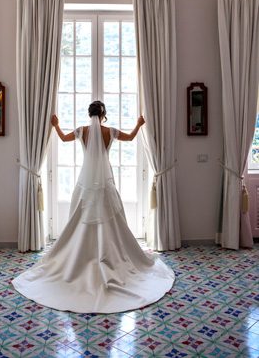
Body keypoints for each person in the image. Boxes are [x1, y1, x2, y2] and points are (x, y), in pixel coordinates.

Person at [12, 101, 175, 314]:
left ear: (89, 114)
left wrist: (56, 125)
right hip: (105, 183)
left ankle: (82, 258)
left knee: (80, 219)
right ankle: (110, 259)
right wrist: (139, 123)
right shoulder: (111, 132)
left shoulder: (82, 131)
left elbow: (62, 138)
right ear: (104, 114)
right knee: (111, 220)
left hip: (87, 184)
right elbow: (131, 137)